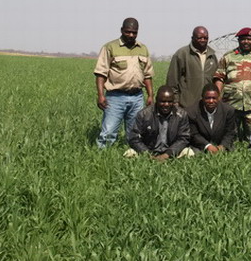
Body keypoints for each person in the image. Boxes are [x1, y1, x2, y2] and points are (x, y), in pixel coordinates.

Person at [93, 17, 154, 148]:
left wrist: (150, 95)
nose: (131, 35)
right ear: (121, 30)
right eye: (128, 31)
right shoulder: (110, 47)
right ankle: (102, 156)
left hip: (137, 97)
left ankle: (131, 154)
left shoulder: (143, 49)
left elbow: (147, 75)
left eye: (134, 32)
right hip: (115, 97)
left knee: (135, 132)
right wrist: (100, 95)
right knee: (108, 132)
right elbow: (100, 73)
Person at [213, 27, 251, 141]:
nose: (246, 42)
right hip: (231, 104)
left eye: (249, 39)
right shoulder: (228, 57)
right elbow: (219, 77)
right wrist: (217, 97)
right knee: (230, 138)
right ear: (238, 40)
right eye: (243, 39)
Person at [124, 85, 192, 161]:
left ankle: (173, 161)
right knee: (129, 153)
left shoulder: (182, 115)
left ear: (173, 101)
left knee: (189, 152)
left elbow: (184, 138)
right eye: (163, 101)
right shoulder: (144, 114)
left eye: (170, 102)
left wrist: (167, 154)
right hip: (149, 150)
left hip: (171, 151)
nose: (166, 104)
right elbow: (134, 138)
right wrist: (148, 154)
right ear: (156, 100)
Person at [166, 26, 218, 108]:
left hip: (207, 105)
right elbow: (172, 81)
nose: (203, 40)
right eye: (199, 38)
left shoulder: (212, 56)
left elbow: (216, 80)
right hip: (187, 105)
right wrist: (175, 101)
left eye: (205, 38)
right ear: (192, 38)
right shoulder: (182, 54)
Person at [185, 84, 237, 154]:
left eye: (214, 98)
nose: (211, 101)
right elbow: (194, 134)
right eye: (207, 98)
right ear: (202, 98)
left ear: (219, 98)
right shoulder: (191, 112)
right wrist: (208, 146)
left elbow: (230, 132)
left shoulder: (228, 110)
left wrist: (222, 146)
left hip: (221, 144)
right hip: (200, 146)